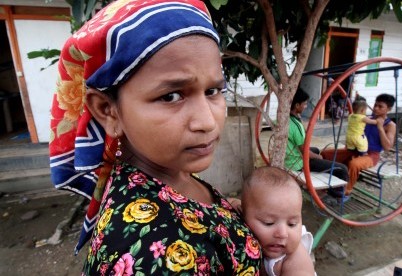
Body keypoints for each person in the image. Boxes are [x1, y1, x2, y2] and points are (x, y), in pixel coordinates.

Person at [49, 1, 261, 274]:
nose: (207, 122)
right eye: (171, 96)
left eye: (213, 91)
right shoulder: (152, 253)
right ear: (108, 111)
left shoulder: (172, 173)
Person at [241, 166, 316, 276]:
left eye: (292, 224)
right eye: (268, 222)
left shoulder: (295, 260)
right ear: (243, 215)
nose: (282, 234)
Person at [322, 94, 397, 196]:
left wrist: (380, 127)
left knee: (354, 164)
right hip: (355, 150)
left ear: (388, 109)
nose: (375, 108)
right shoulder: (366, 118)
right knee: (326, 154)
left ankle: (347, 190)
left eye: (380, 106)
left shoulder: (390, 125)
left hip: (371, 155)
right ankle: (328, 183)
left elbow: (387, 147)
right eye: (375, 105)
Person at [285, 88, 349, 184]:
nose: (306, 106)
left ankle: (324, 167)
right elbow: (304, 151)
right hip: (297, 163)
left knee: (315, 149)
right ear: (297, 105)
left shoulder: (284, 118)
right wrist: (318, 157)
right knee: (342, 169)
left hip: (289, 156)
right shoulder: (295, 125)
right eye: (305, 104)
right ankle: (336, 194)